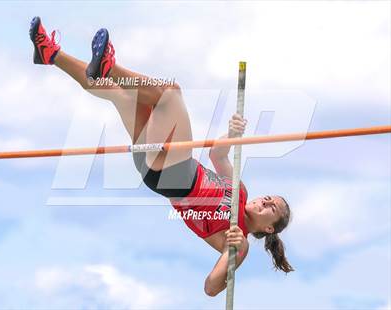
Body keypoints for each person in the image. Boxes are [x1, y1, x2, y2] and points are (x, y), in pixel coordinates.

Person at [29, 16, 294, 296]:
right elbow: (218, 154)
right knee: (123, 97)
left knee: (170, 93)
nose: (265, 200)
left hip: (177, 179)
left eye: (271, 208)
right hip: (158, 169)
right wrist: (231, 133)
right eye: (269, 197)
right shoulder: (240, 190)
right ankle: (51, 55)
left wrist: (231, 255)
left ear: (268, 228)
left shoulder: (239, 243)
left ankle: (109, 66)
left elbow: (210, 288)